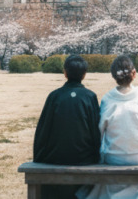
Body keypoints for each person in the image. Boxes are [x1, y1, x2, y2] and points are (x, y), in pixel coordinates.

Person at [80, 55, 138, 199]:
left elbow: (100, 131)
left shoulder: (108, 99)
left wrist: (99, 155)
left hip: (114, 157)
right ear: (134, 73)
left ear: (114, 76)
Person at [34, 54, 101, 199]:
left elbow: (43, 130)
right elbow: (95, 131)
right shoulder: (90, 96)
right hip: (84, 157)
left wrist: (38, 156)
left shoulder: (54, 96)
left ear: (65, 73)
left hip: (56, 156)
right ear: (84, 74)